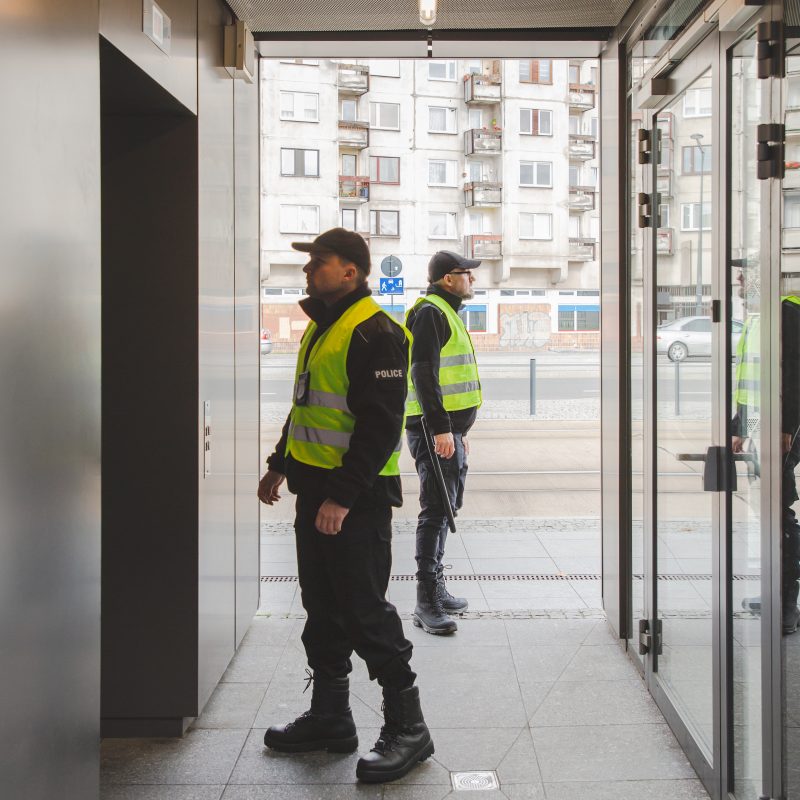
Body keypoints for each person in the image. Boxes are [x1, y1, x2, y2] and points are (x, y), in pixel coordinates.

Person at [257, 228, 433, 783]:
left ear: (352, 272)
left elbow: (381, 428)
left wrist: (340, 496)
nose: (310, 270)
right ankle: (332, 716)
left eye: (320, 262)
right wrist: (280, 461)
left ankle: (409, 728)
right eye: (310, 263)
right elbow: (307, 402)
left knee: (364, 610)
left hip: (353, 500)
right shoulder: (324, 327)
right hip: (316, 494)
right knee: (321, 607)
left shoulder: (376, 331)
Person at [405, 250, 482, 635]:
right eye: (466, 274)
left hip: (449, 430)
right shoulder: (431, 312)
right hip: (432, 429)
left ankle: (436, 587)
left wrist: (459, 432)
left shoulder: (445, 311)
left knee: (446, 508)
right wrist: (440, 429)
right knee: (435, 510)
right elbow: (423, 372)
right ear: (446, 279)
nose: (472, 279)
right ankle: (425, 601)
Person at [734, 269, 800, 634]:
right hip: (764, 423)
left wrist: (787, 426)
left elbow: (794, 372)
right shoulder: (759, 319)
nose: (741, 284)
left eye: (747, 278)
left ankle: (787, 604)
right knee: (770, 511)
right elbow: (751, 381)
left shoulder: (786, 314)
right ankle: (778, 594)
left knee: (780, 511)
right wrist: (738, 428)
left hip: (783, 429)